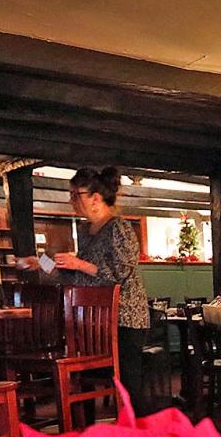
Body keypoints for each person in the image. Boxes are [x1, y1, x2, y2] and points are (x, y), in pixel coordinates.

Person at [17, 166, 150, 414]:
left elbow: (121, 272)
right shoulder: (86, 231)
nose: (71, 201)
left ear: (96, 198)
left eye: (75, 195)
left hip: (125, 318)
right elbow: (74, 273)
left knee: (128, 385)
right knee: (89, 378)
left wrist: (79, 263)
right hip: (94, 320)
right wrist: (40, 263)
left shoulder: (118, 227)